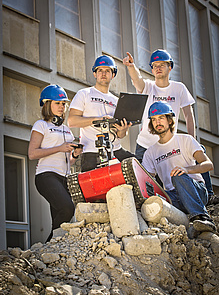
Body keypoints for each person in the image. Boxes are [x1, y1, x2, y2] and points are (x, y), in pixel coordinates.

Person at [123, 49, 218, 202]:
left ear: (170, 67)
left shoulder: (179, 88)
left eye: (162, 64)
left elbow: (188, 115)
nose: (158, 68)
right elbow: (137, 80)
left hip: (168, 142)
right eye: (154, 65)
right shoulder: (148, 87)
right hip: (146, 145)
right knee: (143, 178)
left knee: (200, 152)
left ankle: (208, 195)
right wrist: (131, 67)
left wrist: (191, 140)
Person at [142, 101, 216, 233]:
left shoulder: (185, 140)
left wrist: (187, 170)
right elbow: (146, 180)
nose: (157, 122)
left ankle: (203, 218)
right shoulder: (150, 152)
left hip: (196, 191)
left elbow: (208, 165)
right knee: (155, 199)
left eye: (161, 118)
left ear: (170, 121)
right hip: (173, 198)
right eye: (154, 119)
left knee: (178, 176)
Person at [28, 84, 83, 242]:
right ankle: (47, 246)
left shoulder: (67, 130)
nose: (61, 107)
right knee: (68, 208)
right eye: (57, 103)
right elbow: (32, 153)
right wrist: (59, 148)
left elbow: (68, 161)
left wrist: (75, 155)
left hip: (64, 178)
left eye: (64, 104)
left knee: (61, 221)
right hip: (46, 176)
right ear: (47, 104)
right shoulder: (41, 125)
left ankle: (50, 253)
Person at [68, 55, 135, 172]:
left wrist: (123, 129)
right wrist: (99, 120)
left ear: (113, 74)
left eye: (107, 71)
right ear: (95, 74)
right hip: (91, 152)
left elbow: (121, 135)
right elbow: (72, 121)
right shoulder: (84, 93)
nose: (103, 74)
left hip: (115, 150)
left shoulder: (117, 101)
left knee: (139, 165)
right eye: (100, 70)